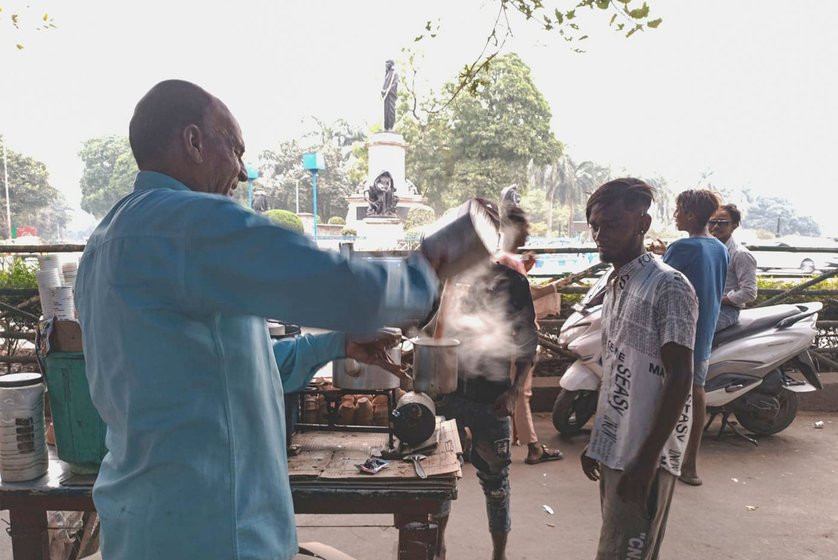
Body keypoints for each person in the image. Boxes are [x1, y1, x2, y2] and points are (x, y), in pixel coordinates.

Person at [74, 79, 440, 560]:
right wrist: (428, 273)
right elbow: (333, 284)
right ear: (193, 142)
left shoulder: (104, 244)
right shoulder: (191, 222)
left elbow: (229, 371)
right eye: (235, 148)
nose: (243, 172)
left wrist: (335, 344)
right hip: (215, 535)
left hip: (141, 527)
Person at [580, 178, 697, 560]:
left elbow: (681, 376)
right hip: (617, 447)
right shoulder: (617, 283)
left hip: (646, 454)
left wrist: (646, 462)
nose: (600, 235)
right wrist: (599, 439)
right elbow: (617, 368)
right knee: (614, 546)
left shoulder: (669, 286)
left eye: (612, 224)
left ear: (642, 225)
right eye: (595, 226)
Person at [434, 206, 539, 560]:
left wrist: (513, 391)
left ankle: (499, 555)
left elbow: (528, 341)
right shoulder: (448, 279)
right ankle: (439, 546)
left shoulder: (512, 282)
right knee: (439, 481)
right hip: (446, 397)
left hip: (491, 399)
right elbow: (429, 330)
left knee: (495, 483)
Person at [663, 189, 728, 487]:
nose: (675, 215)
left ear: (689, 213)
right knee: (697, 391)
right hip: (704, 333)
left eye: (678, 209)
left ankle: (658, 458)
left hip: (676, 334)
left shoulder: (682, 248)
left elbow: (662, 285)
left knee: (665, 394)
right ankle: (690, 464)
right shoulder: (719, 248)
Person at [493, 207, 563, 465]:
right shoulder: (509, 260)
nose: (528, 235)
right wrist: (552, 288)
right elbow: (525, 294)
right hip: (518, 334)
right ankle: (533, 445)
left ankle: (520, 439)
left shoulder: (504, 259)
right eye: (525, 229)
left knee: (515, 388)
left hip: (506, 333)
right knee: (521, 390)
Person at [709, 203, 758, 331]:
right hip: (706, 307)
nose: (715, 226)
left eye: (722, 223)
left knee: (696, 333)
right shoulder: (707, 250)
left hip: (726, 310)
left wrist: (720, 300)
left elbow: (749, 292)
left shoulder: (740, 254)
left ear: (734, 226)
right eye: (712, 222)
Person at [381, 59, 399, 131]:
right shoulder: (387, 75)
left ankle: (390, 127)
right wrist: (383, 91)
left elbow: (395, 83)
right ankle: (386, 127)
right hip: (386, 96)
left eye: (387, 63)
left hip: (391, 94)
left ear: (391, 64)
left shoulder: (395, 74)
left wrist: (388, 90)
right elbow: (384, 85)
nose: (386, 65)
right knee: (386, 111)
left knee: (391, 111)